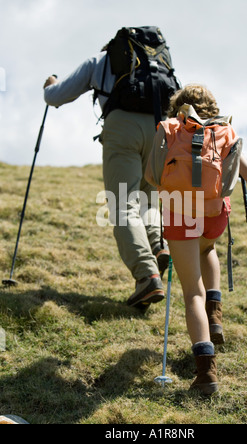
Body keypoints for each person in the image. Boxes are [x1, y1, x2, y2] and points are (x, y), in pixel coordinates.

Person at [145, 84, 247, 395]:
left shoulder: (169, 128)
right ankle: (216, 313)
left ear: (178, 107)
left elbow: (151, 175)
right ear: (210, 105)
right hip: (214, 215)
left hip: (181, 213)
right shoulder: (224, 130)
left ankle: (206, 374)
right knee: (207, 247)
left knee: (191, 292)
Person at [43, 45, 171, 310]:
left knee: (123, 204)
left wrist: (49, 85)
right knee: (148, 198)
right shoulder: (157, 62)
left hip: (123, 128)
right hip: (161, 128)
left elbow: (57, 97)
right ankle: (158, 245)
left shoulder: (99, 60)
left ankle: (147, 276)